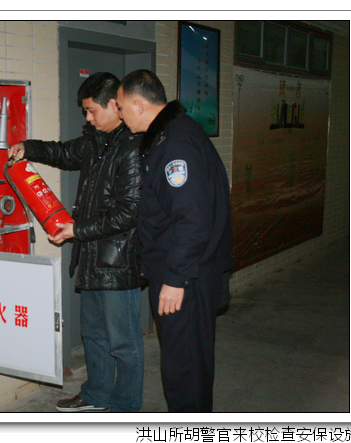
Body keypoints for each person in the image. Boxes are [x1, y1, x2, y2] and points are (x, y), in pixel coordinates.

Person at [8, 72, 144, 412]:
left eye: (91, 110)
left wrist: (76, 230)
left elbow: (129, 213)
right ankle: (96, 395)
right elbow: (62, 153)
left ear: (114, 105)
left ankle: (125, 408)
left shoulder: (132, 147)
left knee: (124, 344)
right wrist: (28, 147)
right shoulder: (95, 142)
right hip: (91, 259)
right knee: (94, 336)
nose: (88, 118)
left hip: (118, 263)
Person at [116, 69, 234, 412]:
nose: (120, 115)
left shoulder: (175, 145)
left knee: (185, 369)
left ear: (139, 105)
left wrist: (175, 279)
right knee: (186, 363)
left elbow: (192, 219)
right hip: (186, 271)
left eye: (121, 107)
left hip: (187, 277)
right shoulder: (173, 134)